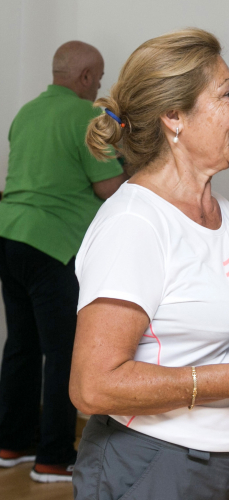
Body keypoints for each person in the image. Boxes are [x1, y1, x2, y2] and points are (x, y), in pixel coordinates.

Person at [69, 28, 229, 499]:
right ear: (174, 117)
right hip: (157, 466)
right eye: (228, 93)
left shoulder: (221, 211)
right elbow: (92, 386)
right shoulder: (135, 224)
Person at [0, 40, 126, 483]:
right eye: (100, 76)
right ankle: (53, 456)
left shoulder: (26, 113)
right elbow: (110, 187)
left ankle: (11, 442)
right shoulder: (87, 117)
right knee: (63, 352)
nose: (100, 86)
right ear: (87, 78)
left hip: (10, 236)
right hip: (55, 246)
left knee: (20, 346)